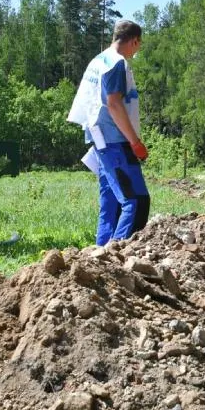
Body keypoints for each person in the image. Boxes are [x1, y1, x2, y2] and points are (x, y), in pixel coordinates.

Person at [66, 20, 150, 245]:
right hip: (116, 142)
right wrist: (135, 142)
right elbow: (114, 104)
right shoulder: (116, 63)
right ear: (134, 41)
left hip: (99, 140)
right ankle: (120, 257)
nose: (137, 51)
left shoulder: (98, 60)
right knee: (137, 201)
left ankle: (100, 256)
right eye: (138, 45)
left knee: (111, 203)